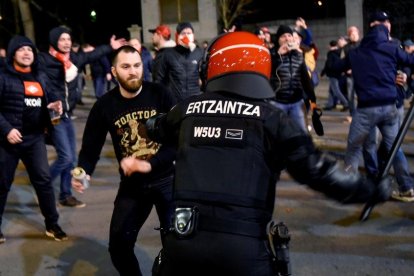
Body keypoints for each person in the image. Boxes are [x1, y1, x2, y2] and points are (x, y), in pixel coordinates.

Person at [144, 31, 390, 276]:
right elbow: (319, 172)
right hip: (243, 253)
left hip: (182, 246)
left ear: (211, 67)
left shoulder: (186, 110)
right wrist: (370, 188)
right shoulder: (274, 119)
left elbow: (155, 127)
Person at [71, 45, 176, 275]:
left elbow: (177, 141)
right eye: (126, 67)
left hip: (167, 179)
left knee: (177, 245)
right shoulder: (104, 105)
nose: (133, 72)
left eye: (137, 65)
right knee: (118, 246)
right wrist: (83, 171)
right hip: (133, 186)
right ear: (114, 71)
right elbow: (90, 147)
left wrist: (149, 163)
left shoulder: (160, 94)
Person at [38, 26, 126, 208]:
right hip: (54, 115)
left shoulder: (73, 60)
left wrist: (110, 47)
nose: (66, 42)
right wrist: (52, 99)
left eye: (68, 39)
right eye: (62, 39)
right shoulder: (44, 60)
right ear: (54, 41)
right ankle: (42, 185)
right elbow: (43, 82)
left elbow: (90, 56)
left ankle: (65, 195)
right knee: (65, 157)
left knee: (70, 159)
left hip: (67, 116)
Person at [334, 11, 414, 202]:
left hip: (366, 110)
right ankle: (406, 187)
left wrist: (339, 53)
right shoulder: (392, 48)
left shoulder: (356, 53)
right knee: (394, 147)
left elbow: (334, 68)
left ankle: (349, 187)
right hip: (389, 108)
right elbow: (410, 61)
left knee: (354, 148)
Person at [0, 35, 67, 244]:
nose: (27, 53)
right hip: (8, 140)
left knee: (44, 182)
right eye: (21, 49)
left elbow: (52, 97)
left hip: (35, 139)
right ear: (13, 54)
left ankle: (52, 224)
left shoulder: (40, 76)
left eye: (30, 49)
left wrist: (56, 106)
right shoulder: (3, 76)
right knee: (2, 184)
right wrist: (6, 130)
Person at [271, 25, 318, 133]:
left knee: (301, 132)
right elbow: (267, 73)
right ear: (278, 40)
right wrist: (278, 55)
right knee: (277, 134)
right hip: (277, 102)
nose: (287, 38)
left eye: (289, 35)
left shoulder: (298, 54)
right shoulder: (272, 54)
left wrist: (312, 100)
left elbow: (305, 78)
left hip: (296, 101)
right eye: (283, 36)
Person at [152, 22, 203, 102]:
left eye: (189, 33)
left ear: (193, 35)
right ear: (177, 36)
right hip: (176, 103)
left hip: (195, 102)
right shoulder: (168, 54)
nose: (186, 36)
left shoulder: (199, 53)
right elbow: (159, 80)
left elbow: (205, 77)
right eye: (183, 33)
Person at [320, 40, 349, 111]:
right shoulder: (339, 53)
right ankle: (330, 104)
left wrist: (323, 72)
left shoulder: (330, 54)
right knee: (331, 91)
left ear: (330, 46)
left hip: (333, 74)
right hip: (338, 74)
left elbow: (328, 65)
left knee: (336, 91)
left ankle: (346, 103)